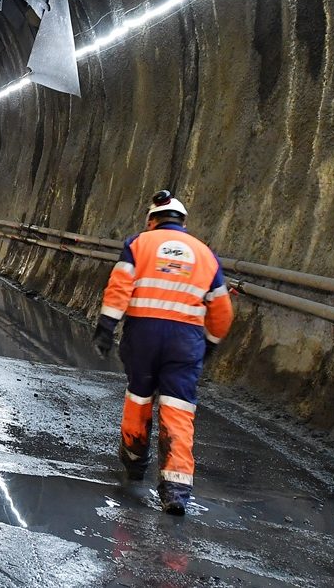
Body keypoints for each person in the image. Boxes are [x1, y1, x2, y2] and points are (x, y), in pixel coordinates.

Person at [93, 190, 234, 515]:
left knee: (139, 397)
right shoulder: (205, 255)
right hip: (185, 342)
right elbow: (222, 310)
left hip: (143, 336)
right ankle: (175, 489)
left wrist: (105, 327)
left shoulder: (138, 244)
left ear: (152, 220)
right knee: (178, 408)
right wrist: (209, 343)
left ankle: (134, 461)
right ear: (183, 222)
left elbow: (119, 287)